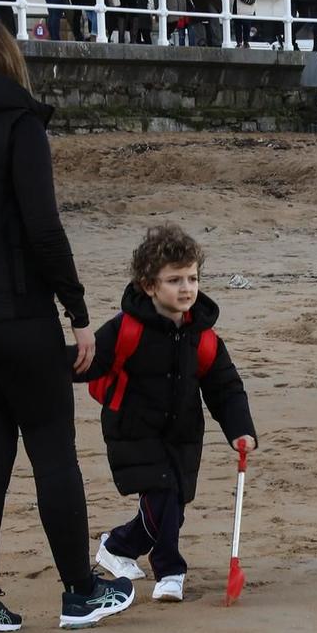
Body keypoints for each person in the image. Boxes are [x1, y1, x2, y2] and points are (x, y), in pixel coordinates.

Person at [0, 16, 133, 632]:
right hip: (11, 309)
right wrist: (78, 312)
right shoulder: (17, 123)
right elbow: (43, 229)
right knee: (49, 444)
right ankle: (78, 591)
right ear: (4, 56)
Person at [88, 222, 255, 602]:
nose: (186, 288)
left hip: (183, 432)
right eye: (174, 280)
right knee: (162, 496)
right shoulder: (124, 330)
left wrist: (239, 428)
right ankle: (170, 570)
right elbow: (87, 362)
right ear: (149, 286)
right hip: (132, 428)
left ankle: (118, 545)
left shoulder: (205, 337)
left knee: (172, 508)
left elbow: (225, 386)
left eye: (192, 278)